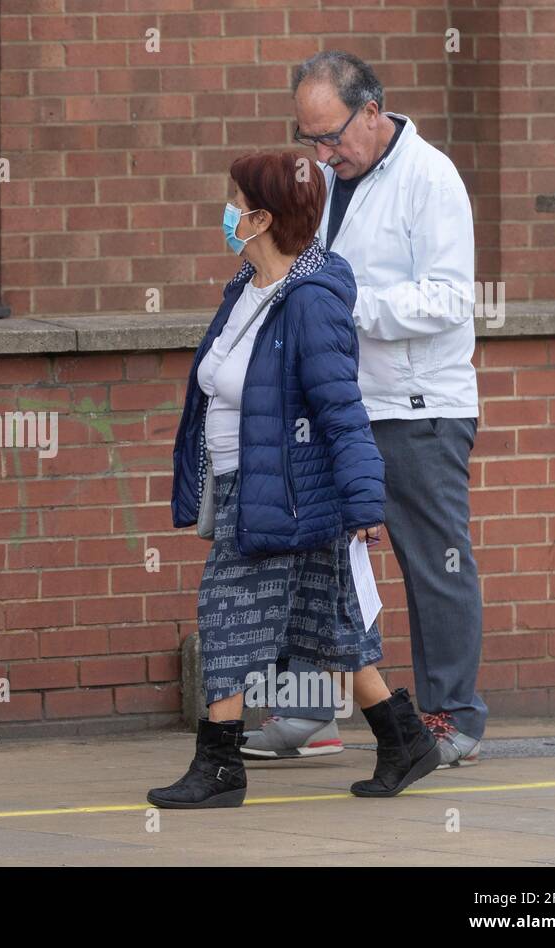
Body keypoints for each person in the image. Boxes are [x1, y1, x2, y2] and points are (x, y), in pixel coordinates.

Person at [149, 151, 440, 809]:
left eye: (237, 204)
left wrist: (366, 498)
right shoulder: (245, 290)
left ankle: (219, 765)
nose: (227, 214)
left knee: (225, 616)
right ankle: (405, 740)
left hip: (284, 497)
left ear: (262, 218)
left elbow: (341, 403)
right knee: (333, 630)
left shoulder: (309, 302)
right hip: (250, 491)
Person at [245, 52, 485, 769]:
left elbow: (449, 299)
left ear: (373, 111)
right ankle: (309, 711)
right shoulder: (321, 178)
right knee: (315, 559)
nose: (321, 153)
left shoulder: (430, 178)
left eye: (333, 136)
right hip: (336, 404)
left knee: (431, 560)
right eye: (308, 136)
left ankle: (452, 719)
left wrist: (346, 310)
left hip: (417, 408)